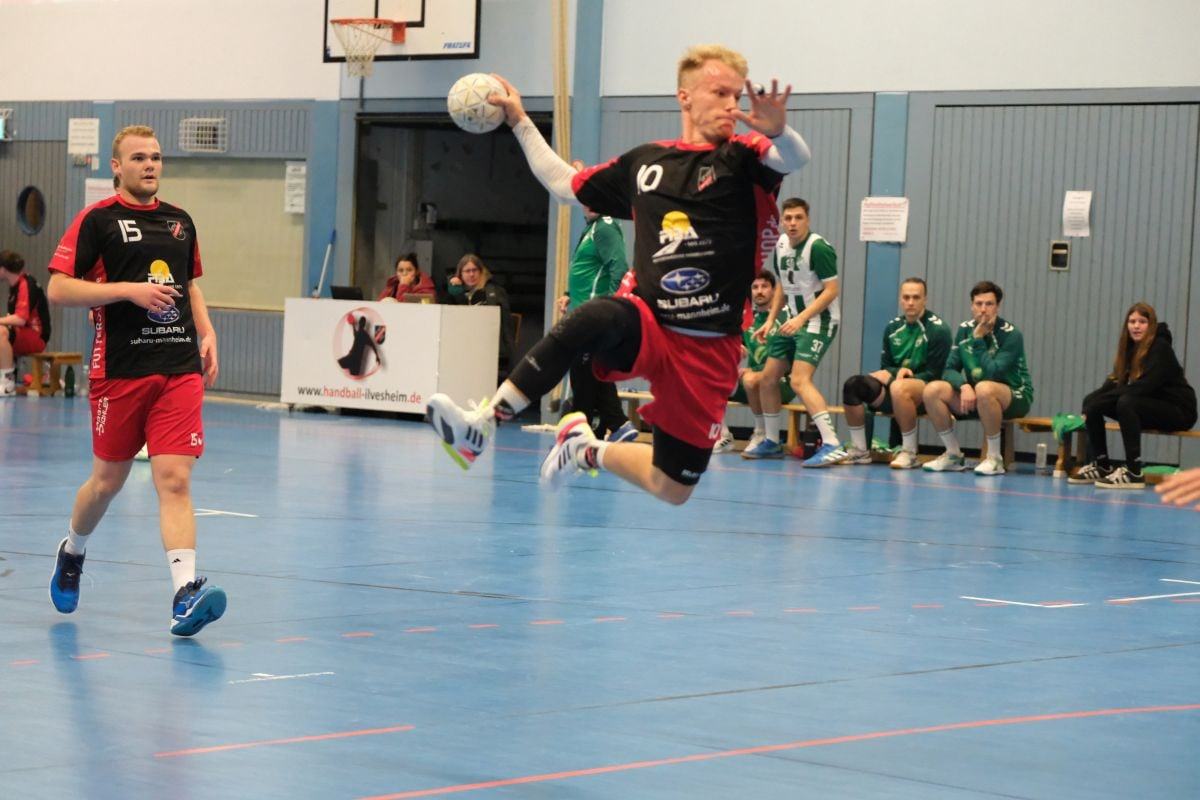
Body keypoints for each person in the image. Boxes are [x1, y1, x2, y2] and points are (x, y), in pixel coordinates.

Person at [425, 44, 809, 504]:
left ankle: (586, 450)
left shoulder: (744, 157)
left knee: (673, 486)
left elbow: (794, 158)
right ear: (685, 96)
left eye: (736, 96)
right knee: (592, 316)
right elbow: (565, 185)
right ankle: (481, 427)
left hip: (709, 347)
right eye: (719, 92)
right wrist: (519, 121)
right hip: (650, 322)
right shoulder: (647, 163)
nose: (732, 104)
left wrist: (780, 130)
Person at [44, 124, 225, 636]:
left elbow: (189, 285)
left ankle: (185, 593)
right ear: (116, 166)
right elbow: (58, 289)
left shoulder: (180, 222)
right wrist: (128, 290)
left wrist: (207, 331)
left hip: (178, 368)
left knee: (175, 478)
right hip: (119, 372)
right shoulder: (97, 221)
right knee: (107, 482)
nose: (150, 165)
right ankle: (73, 551)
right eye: (139, 157)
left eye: (156, 157)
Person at [745, 198, 841, 465]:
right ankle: (771, 441)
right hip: (792, 319)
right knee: (767, 378)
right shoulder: (781, 246)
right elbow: (782, 288)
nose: (793, 223)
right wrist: (769, 320)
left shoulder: (818, 248)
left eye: (798, 218)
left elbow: (832, 291)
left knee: (799, 380)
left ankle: (832, 443)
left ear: (807, 220)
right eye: (788, 218)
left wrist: (800, 319)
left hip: (819, 320)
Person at [828, 277, 952, 468]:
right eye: (906, 297)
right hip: (895, 389)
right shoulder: (892, 328)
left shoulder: (938, 330)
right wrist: (895, 372)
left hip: (926, 395)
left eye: (916, 297)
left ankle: (909, 452)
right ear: (900, 299)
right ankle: (860, 450)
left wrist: (900, 377)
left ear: (925, 299)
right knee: (853, 385)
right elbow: (885, 367)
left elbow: (935, 374)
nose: (910, 302)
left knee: (899, 388)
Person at [1070, 303, 1196, 489]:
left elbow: (1145, 386)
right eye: (1132, 321)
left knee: (1126, 402)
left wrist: (1104, 399)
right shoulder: (1130, 349)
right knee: (1092, 404)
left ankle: (1134, 472)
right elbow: (1115, 383)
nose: (1136, 326)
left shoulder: (1161, 348)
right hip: (1152, 406)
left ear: (1151, 325)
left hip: (1179, 411)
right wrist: (1091, 402)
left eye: (1142, 322)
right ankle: (1102, 465)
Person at [921, 281, 1033, 476]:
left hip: (1015, 395)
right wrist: (964, 386)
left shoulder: (1011, 334)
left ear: (997, 306)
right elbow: (948, 369)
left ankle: (995, 458)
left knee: (984, 388)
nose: (983, 309)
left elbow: (994, 373)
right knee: (932, 390)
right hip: (978, 395)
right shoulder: (964, 330)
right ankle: (953, 454)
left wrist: (979, 339)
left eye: (989, 304)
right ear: (972, 305)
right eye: (978, 303)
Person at [555, 204, 634, 441]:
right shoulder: (592, 227)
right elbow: (588, 269)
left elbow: (619, 268)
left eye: (593, 199)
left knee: (583, 370)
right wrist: (569, 294)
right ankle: (616, 424)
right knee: (588, 370)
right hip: (584, 311)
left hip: (594, 314)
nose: (588, 204)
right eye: (584, 200)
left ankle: (589, 431)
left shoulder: (605, 227)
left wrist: (611, 307)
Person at [721, 270, 793, 454]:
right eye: (755, 287)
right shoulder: (746, 320)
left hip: (781, 382)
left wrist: (757, 372)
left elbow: (789, 359)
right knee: (710, 380)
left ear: (774, 290)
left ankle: (761, 433)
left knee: (751, 379)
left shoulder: (785, 318)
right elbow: (733, 349)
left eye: (765, 286)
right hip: (751, 383)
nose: (759, 291)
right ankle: (723, 436)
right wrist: (734, 349)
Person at [445, 253, 515, 378]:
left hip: (490, 349)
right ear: (460, 274)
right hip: (461, 348)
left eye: (475, 270)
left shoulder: (494, 292)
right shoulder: (456, 293)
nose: (471, 274)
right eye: (467, 271)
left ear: (481, 272)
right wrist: (455, 292)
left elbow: (505, 326)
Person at [0, 250, 50, 396]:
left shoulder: (26, 284)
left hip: (37, 336)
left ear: (3, 269)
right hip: (23, 333)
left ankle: (7, 384)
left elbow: (20, 319)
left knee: (1, 332)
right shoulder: (14, 287)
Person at [337, 311, 384, 378]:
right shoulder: (359, 333)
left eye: (362, 322)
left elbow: (373, 345)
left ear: (363, 324)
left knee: (350, 373)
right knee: (339, 364)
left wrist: (377, 356)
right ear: (359, 323)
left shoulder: (364, 335)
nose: (361, 324)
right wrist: (353, 324)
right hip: (353, 358)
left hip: (355, 360)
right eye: (360, 322)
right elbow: (355, 333)